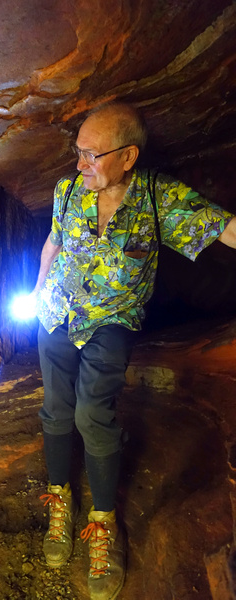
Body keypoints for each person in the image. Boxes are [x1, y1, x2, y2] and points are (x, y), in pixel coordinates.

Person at [30, 102, 236, 600]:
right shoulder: (66, 190)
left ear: (128, 156)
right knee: (56, 408)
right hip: (56, 313)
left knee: (92, 414)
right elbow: (54, 243)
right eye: (78, 152)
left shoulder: (158, 197)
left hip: (113, 320)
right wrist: (37, 289)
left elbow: (222, 227)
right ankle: (60, 499)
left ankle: (102, 522)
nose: (80, 164)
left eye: (92, 155)